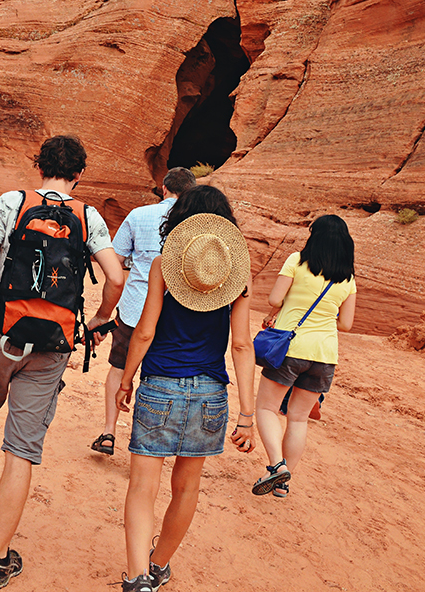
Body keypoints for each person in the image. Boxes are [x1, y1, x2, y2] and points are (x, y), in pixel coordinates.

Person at [0, 135, 125, 590]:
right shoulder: (89, 216)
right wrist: (100, 319)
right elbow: (116, 277)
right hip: (50, 349)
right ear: (79, 174)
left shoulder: (12, 203)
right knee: (20, 448)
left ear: (39, 166)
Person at [115, 185, 257, 592]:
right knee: (187, 487)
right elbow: (242, 345)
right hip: (211, 392)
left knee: (143, 486)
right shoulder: (236, 277)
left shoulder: (163, 266)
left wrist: (126, 380)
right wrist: (247, 414)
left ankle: (138, 576)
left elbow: (144, 332)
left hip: (160, 383)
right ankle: (159, 566)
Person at [91, 167, 197, 457]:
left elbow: (117, 259)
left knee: (119, 367)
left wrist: (105, 311)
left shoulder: (138, 215)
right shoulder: (196, 224)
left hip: (136, 309)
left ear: (164, 188)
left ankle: (109, 432)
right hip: (176, 317)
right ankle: (149, 443)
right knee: (159, 378)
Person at [251, 214, 356, 497]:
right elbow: (345, 324)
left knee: (267, 408)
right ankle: (283, 484)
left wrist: (292, 308)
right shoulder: (347, 278)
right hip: (325, 354)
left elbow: (274, 299)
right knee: (298, 418)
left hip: (291, 348)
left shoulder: (297, 261)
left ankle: (276, 466)